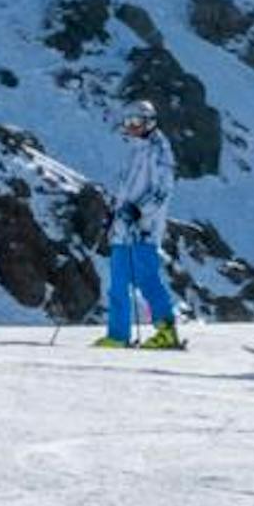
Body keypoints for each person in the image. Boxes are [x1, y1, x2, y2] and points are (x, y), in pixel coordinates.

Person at [97, 99, 183, 350]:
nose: (131, 127)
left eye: (136, 122)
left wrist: (139, 211)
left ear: (149, 123)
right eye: (128, 122)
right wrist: (114, 215)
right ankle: (118, 335)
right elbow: (126, 188)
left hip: (144, 229)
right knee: (117, 282)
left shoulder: (160, 151)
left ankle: (166, 331)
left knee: (146, 279)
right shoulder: (136, 150)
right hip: (123, 228)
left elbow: (163, 190)